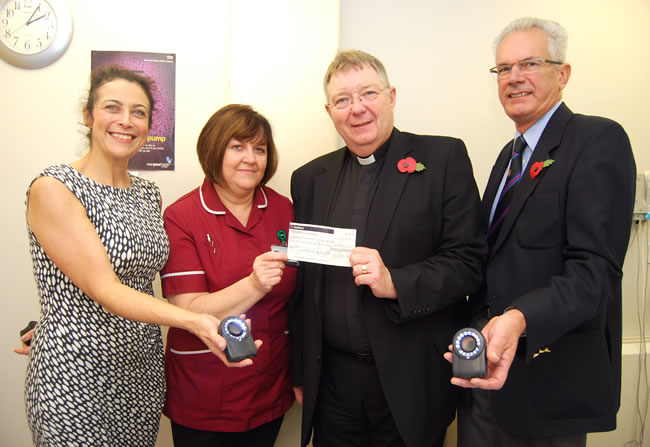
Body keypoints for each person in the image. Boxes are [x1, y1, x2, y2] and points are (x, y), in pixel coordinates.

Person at [23, 66, 255, 447]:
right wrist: (196, 321)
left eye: (139, 112)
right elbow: (105, 287)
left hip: (140, 370)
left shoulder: (148, 194)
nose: (125, 121)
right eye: (112, 107)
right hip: (75, 370)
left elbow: (138, 278)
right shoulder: (55, 187)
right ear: (89, 115)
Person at [446, 17, 636, 447]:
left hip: (548, 380)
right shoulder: (507, 157)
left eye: (529, 63)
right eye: (503, 69)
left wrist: (519, 317)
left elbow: (595, 272)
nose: (514, 78)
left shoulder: (596, 140)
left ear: (562, 73)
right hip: (482, 378)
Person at [289, 50, 486, 447]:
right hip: (331, 386)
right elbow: (304, 287)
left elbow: (468, 262)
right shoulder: (310, 178)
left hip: (411, 378)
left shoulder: (443, 158)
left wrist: (395, 281)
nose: (357, 109)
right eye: (343, 100)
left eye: (368, 94)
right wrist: (300, 372)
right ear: (330, 112)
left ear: (392, 96)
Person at [159, 104, 297, 447]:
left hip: (269, 384)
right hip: (203, 390)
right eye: (237, 146)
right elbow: (189, 308)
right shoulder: (183, 216)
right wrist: (253, 284)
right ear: (213, 150)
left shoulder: (284, 209)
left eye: (260, 149)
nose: (250, 158)